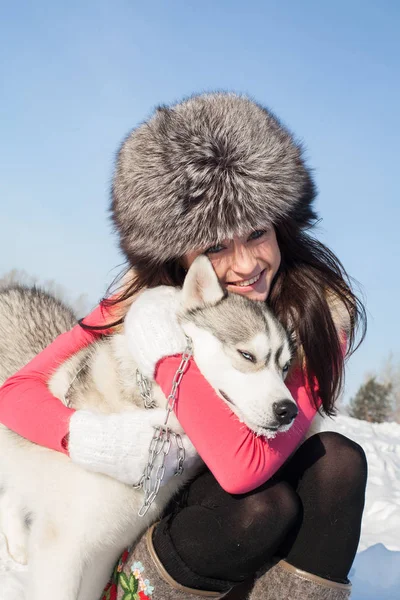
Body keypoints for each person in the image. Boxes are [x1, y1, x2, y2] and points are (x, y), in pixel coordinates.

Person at [0, 93, 367, 600]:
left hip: (250, 510)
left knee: (339, 463)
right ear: (183, 252)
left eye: (257, 233)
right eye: (216, 245)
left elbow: (244, 468)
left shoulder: (319, 316)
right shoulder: (139, 297)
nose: (244, 264)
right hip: (183, 513)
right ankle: (136, 588)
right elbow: (16, 393)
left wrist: (165, 351)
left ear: (280, 225)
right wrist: (90, 439)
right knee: (260, 508)